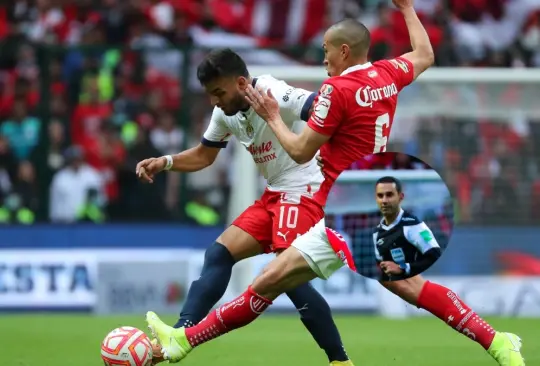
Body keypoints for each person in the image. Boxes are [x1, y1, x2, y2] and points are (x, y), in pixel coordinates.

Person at [145, 1, 524, 365]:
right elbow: (424, 55)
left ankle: (193, 341)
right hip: (361, 197)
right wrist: (407, 8)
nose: (323, 57)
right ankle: (183, 339)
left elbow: (298, 151)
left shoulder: (335, 91)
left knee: (280, 280)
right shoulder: (386, 74)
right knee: (294, 279)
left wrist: (273, 117)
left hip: (343, 204)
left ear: (344, 51)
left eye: (326, 50)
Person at [136, 49, 354, 366]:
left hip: (302, 192)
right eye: (210, 95)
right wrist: (165, 162)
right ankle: (180, 334)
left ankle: (339, 361)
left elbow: (323, 108)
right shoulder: (225, 112)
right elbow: (204, 155)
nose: (214, 101)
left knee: (288, 277)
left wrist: (333, 150)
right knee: (220, 253)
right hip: (274, 194)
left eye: (218, 93)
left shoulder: (273, 91)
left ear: (241, 82)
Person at [372, 176, 442, 281]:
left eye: (389, 195)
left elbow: (435, 256)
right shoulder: (376, 233)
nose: (384, 200)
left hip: (417, 286)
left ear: (401, 197)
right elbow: (382, 267)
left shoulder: (413, 225)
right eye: (380, 196)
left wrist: (403, 268)